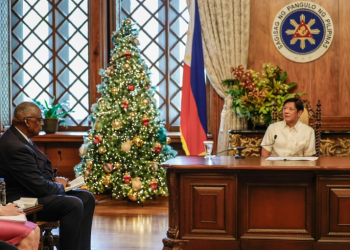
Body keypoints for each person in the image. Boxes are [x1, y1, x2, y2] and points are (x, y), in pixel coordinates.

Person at [0, 102, 95, 250]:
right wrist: (59, 186)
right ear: (27, 121)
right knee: (73, 204)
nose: (42, 123)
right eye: (39, 120)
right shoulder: (14, 145)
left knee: (87, 197)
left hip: (31, 193)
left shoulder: (19, 137)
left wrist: (57, 183)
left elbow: (36, 178)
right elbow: (39, 187)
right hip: (21, 200)